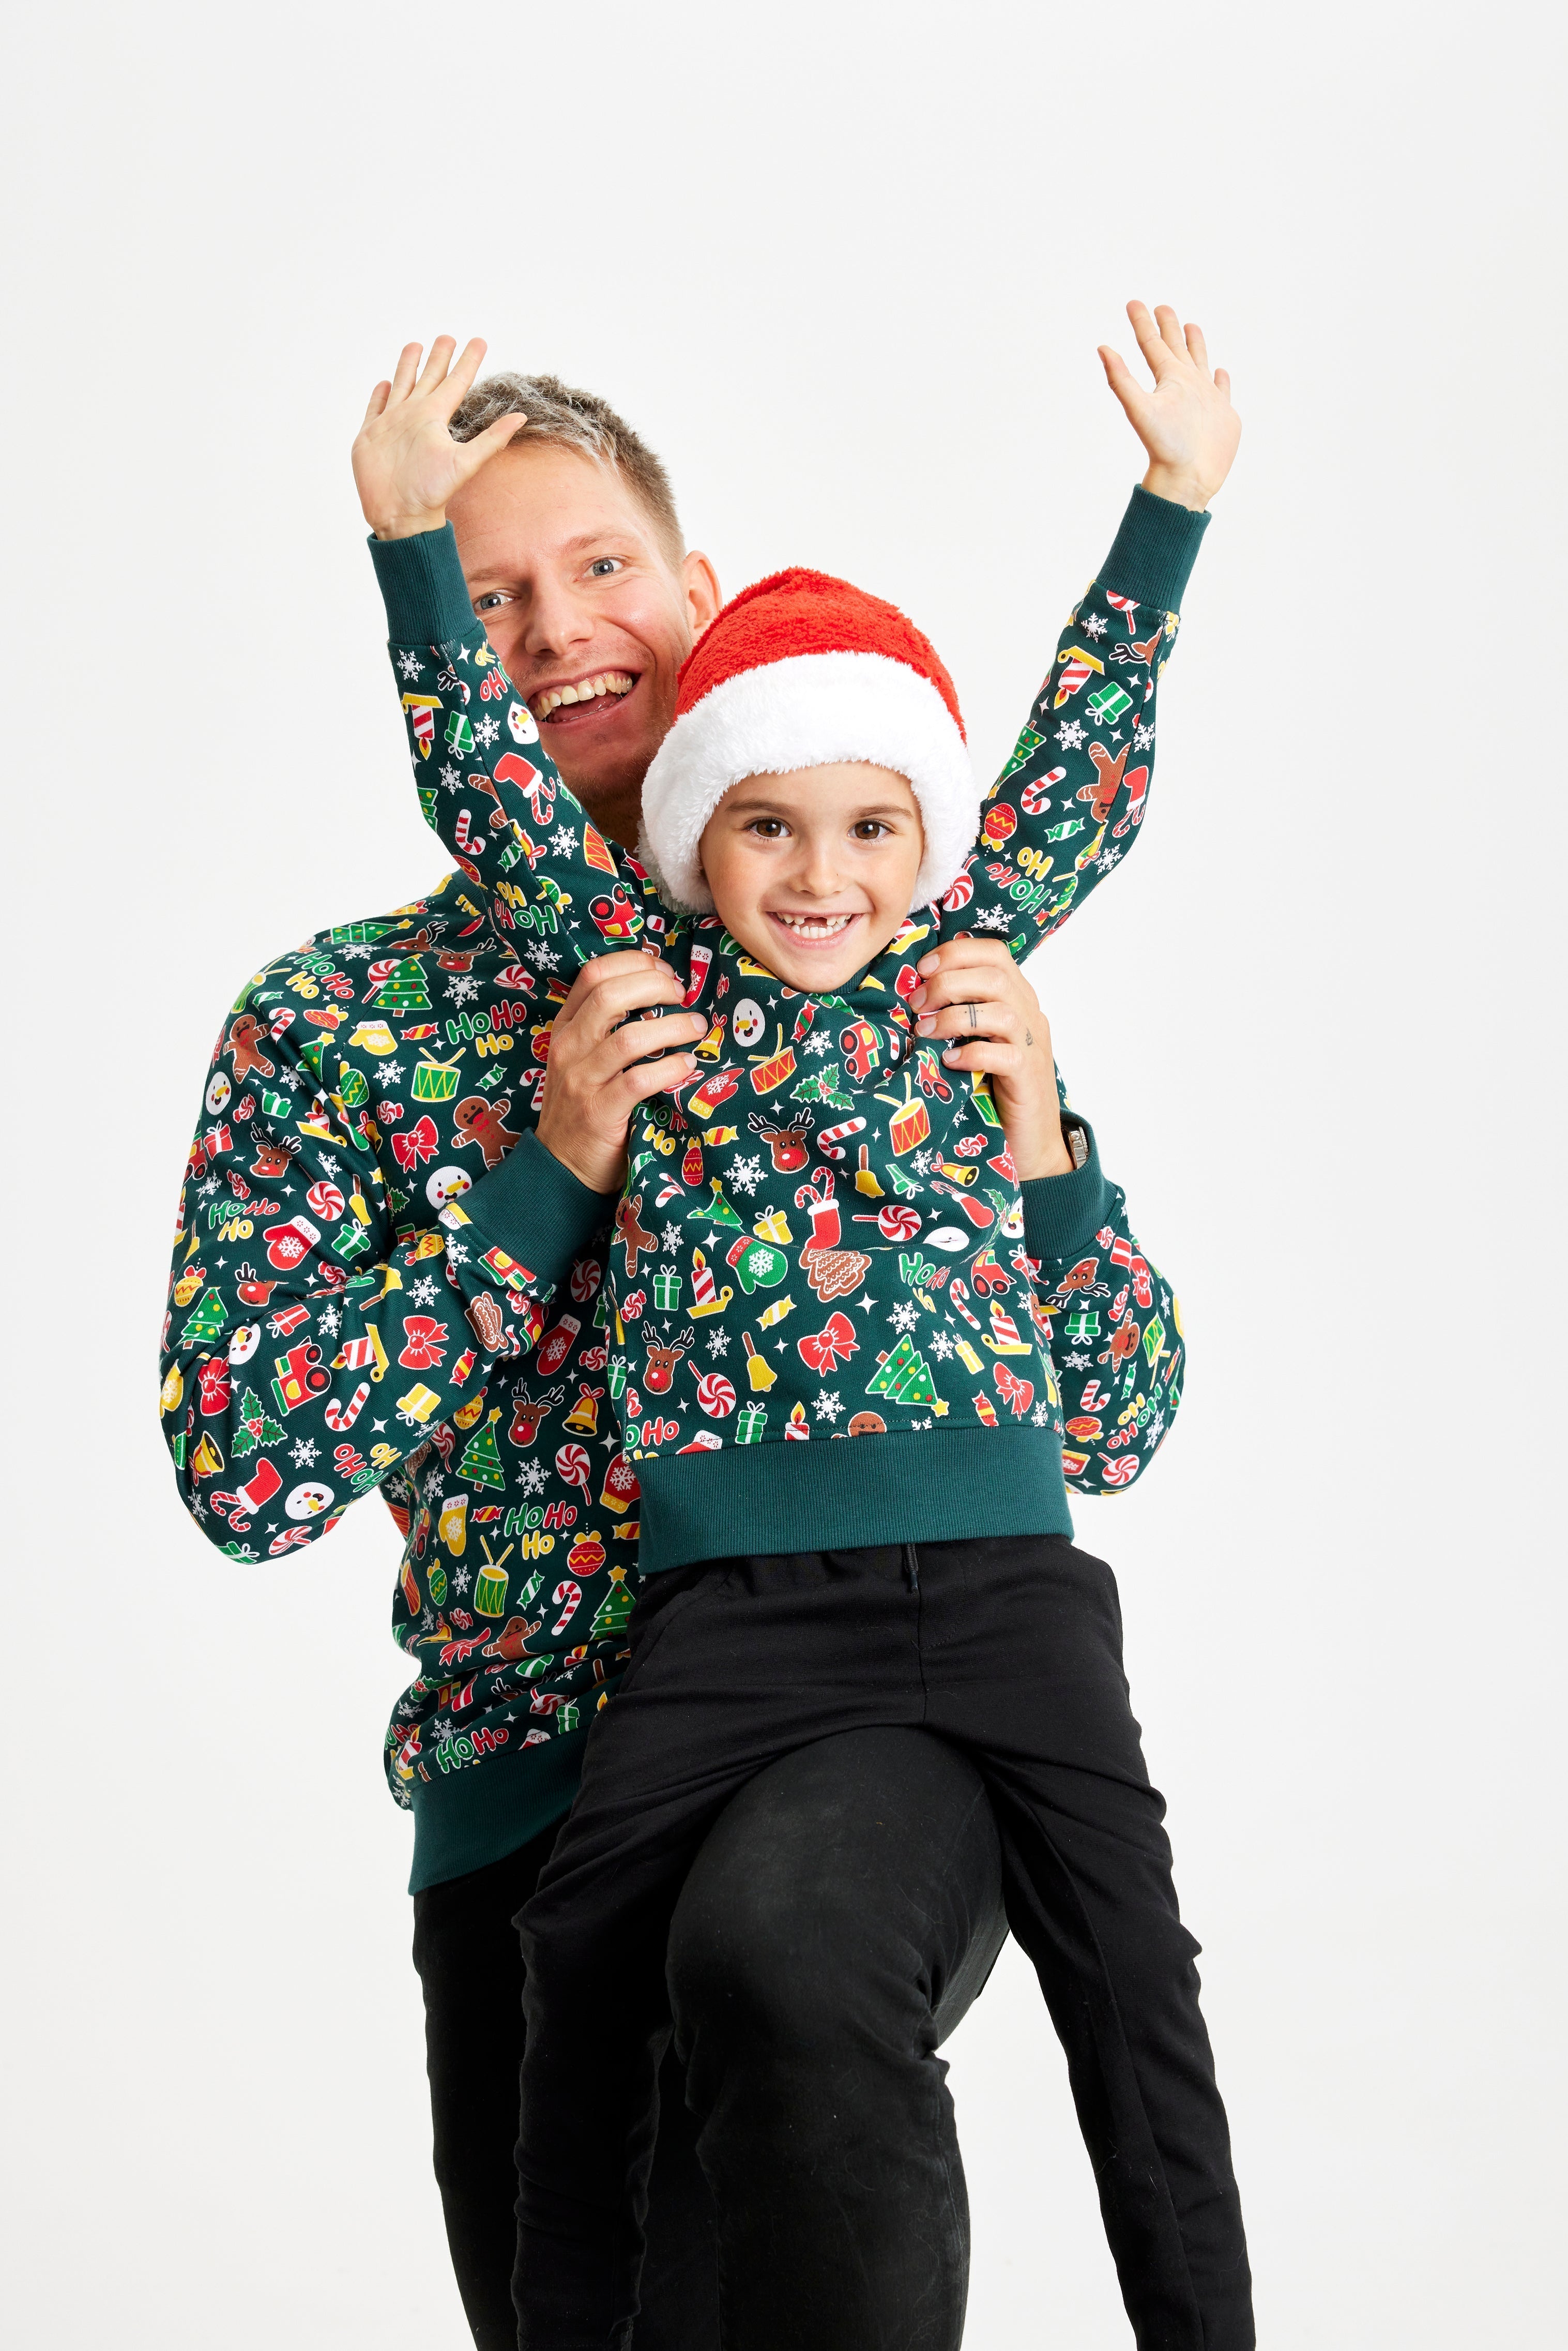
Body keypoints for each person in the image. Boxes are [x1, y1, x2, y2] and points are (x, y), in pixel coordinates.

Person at [155, 306, 1216, 2350]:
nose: (559, 627)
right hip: (532, 1795)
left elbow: (1119, 1418)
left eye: (600, 568)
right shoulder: (327, 1028)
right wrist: (535, 1191)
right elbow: (249, 1467)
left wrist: (1045, 1160)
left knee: (790, 1967)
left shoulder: (877, 937)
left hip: (863, 1714)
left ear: (700, 596)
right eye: (491, 597)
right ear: (436, 651)